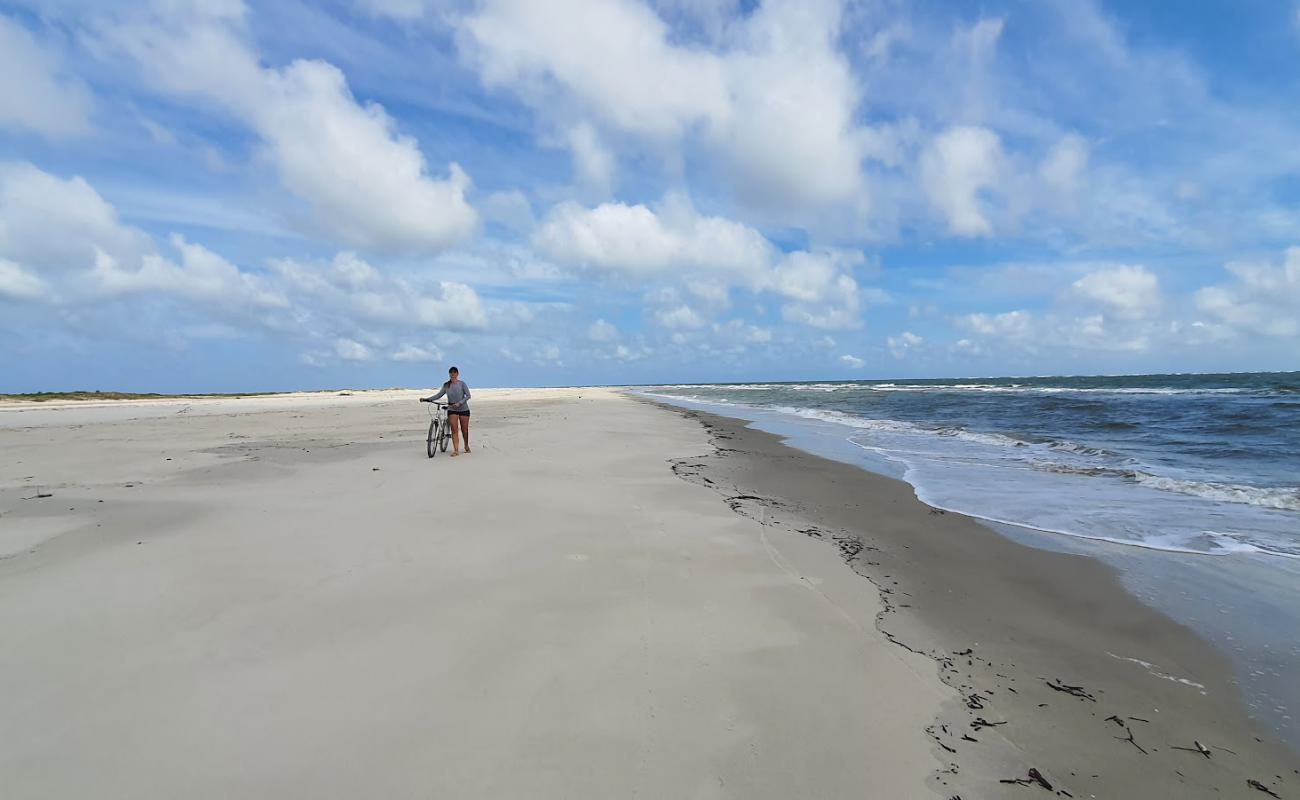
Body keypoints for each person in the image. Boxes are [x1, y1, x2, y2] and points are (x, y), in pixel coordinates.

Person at [421, 366, 471, 456]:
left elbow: (468, 395)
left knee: (464, 430)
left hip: (463, 409)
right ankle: (456, 450)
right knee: (454, 429)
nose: (453, 374)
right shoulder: (446, 385)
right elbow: (438, 395)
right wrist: (427, 399)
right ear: (449, 374)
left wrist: (459, 403)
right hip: (452, 409)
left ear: (457, 374)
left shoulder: (462, 384)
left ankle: (466, 446)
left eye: (454, 372)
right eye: (451, 372)